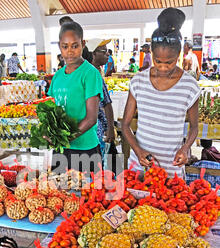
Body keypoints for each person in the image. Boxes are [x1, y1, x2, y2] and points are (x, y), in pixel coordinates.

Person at [121, 7, 200, 179]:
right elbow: (125, 125)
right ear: (151, 54)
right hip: (140, 167)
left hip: (171, 169)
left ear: (179, 55)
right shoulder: (138, 82)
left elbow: (194, 127)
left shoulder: (189, 86)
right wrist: (138, 150)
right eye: (158, 61)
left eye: (169, 62)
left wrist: (185, 149)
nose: (163, 67)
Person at [47, 21, 104, 176]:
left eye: (75, 45)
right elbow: (51, 111)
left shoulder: (90, 73)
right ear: (59, 46)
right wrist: (47, 132)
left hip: (85, 149)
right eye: (65, 46)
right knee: (59, 195)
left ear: (83, 44)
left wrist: (65, 138)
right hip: (61, 150)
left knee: (86, 196)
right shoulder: (58, 76)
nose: (70, 51)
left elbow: (91, 118)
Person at [85, 38, 115, 156]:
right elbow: (107, 104)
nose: (107, 54)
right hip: (95, 131)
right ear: (93, 54)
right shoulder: (92, 74)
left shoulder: (94, 72)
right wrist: (110, 129)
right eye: (103, 51)